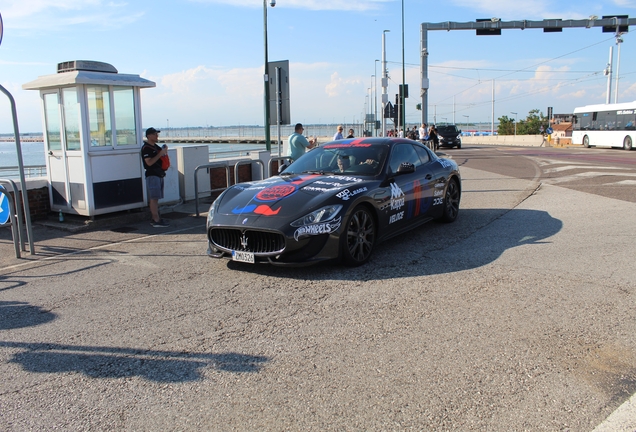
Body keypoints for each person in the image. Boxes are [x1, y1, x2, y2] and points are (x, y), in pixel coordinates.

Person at [142, 127, 169, 227]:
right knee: (154, 198)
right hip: (152, 175)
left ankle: (156, 217)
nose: (157, 136)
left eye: (157, 134)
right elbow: (148, 162)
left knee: (156, 198)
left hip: (159, 174)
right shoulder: (146, 148)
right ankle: (155, 220)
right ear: (149, 136)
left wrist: (164, 151)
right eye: (154, 134)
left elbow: (162, 155)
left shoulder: (155, 147)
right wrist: (160, 154)